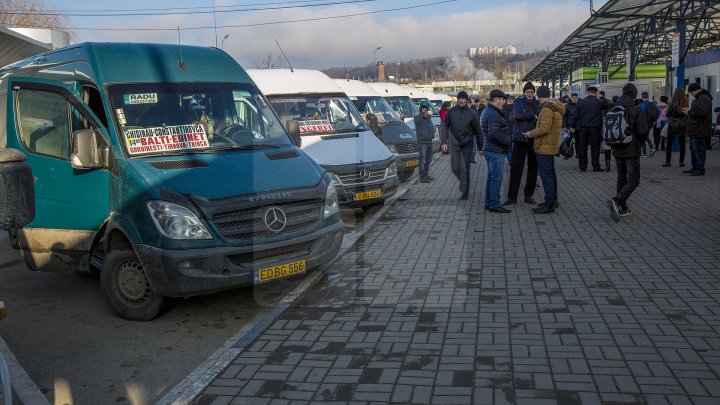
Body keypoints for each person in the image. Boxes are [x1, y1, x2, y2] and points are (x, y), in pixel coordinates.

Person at [607, 83, 648, 222]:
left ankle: (623, 207)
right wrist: (640, 144)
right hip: (631, 148)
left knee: (621, 177)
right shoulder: (636, 109)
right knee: (634, 179)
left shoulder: (614, 108)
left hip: (617, 147)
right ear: (634, 95)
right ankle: (617, 200)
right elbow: (643, 131)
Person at [524, 85, 563, 214]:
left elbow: (544, 129)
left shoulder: (546, 109)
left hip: (544, 146)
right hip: (551, 145)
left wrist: (530, 134)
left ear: (538, 95)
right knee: (551, 174)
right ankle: (553, 200)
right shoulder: (555, 106)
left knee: (546, 176)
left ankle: (549, 204)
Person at [440, 91, 483, 200]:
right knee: (455, 168)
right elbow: (444, 125)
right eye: (459, 98)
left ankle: (465, 191)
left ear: (467, 100)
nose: (461, 100)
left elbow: (478, 131)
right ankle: (464, 184)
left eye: (463, 99)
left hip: (467, 144)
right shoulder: (451, 112)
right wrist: (444, 141)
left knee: (465, 169)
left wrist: (480, 147)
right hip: (454, 144)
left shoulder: (472, 113)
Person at [503, 82, 539, 206]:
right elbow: (517, 115)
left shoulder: (537, 103)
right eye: (527, 92)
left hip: (533, 138)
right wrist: (532, 115)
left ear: (534, 93)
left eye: (531, 92)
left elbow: (539, 116)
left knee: (533, 168)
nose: (530, 94)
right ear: (524, 93)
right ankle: (512, 197)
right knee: (516, 169)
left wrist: (527, 115)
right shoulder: (518, 102)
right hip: (519, 138)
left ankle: (528, 195)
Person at [480, 89, 512, 213]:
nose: (503, 102)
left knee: (491, 177)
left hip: (491, 149)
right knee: (496, 179)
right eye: (502, 100)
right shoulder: (493, 113)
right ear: (496, 99)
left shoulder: (489, 111)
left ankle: (489, 202)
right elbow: (494, 133)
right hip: (495, 150)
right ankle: (494, 204)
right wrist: (507, 140)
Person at [570, 86, 606, 172]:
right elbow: (607, 104)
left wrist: (572, 126)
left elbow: (575, 115)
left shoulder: (581, 102)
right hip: (595, 128)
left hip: (583, 128)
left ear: (587, 92)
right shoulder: (599, 102)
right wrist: (601, 97)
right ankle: (596, 166)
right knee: (595, 147)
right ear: (596, 93)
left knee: (583, 147)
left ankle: (583, 166)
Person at [683, 82, 713, 176]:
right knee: (693, 149)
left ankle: (700, 169)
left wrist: (689, 112)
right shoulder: (700, 98)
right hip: (695, 129)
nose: (691, 94)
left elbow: (702, 112)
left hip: (700, 129)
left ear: (694, 90)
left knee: (698, 150)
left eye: (691, 92)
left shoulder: (703, 98)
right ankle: (695, 167)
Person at [662, 89, 687, 168]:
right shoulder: (685, 103)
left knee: (669, 144)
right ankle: (681, 162)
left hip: (673, 125)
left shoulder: (673, 103)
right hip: (683, 125)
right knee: (682, 144)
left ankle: (668, 162)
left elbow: (667, 114)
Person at [414, 105, 435, 183]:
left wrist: (433, 132)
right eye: (424, 111)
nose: (426, 112)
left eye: (426, 110)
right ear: (421, 111)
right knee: (422, 160)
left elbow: (431, 127)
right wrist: (422, 113)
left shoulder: (429, 118)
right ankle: (422, 177)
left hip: (429, 141)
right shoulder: (417, 118)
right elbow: (417, 121)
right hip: (422, 143)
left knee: (429, 160)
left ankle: (426, 175)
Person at [638, 91, 657, 157]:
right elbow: (658, 112)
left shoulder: (641, 105)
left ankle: (647, 150)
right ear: (648, 96)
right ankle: (647, 150)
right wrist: (654, 121)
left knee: (643, 136)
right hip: (651, 123)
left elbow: (639, 115)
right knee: (645, 136)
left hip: (643, 123)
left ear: (642, 96)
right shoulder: (653, 104)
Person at [503, 95, 516, 163]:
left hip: (505, 132)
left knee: (507, 149)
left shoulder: (502, 109)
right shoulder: (516, 109)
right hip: (515, 132)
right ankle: (514, 162)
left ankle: (511, 162)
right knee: (514, 149)